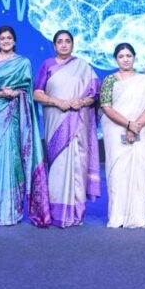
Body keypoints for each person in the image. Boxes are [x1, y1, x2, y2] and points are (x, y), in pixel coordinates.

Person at [0, 26, 51, 227]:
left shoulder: (23, 62)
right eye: (2, 38)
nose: (5, 41)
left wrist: (16, 93)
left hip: (16, 114)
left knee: (14, 158)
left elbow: (28, 91)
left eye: (9, 37)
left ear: (14, 41)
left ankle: (13, 211)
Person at [33, 30, 100, 228]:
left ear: (72, 44)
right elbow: (37, 93)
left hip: (78, 122)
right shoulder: (47, 65)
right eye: (60, 42)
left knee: (77, 166)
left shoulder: (83, 66)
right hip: (55, 121)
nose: (63, 45)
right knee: (58, 167)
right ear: (54, 46)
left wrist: (81, 102)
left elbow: (95, 93)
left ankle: (76, 213)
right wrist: (58, 102)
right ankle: (56, 213)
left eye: (67, 41)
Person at [99, 43, 145, 229]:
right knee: (117, 174)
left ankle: (137, 216)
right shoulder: (109, 80)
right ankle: (118, 216)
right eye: (121, 56)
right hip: (115, 130)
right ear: (116, 59)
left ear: (134, 58)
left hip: (141, 131)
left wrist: (135, 126)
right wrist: (128, 124)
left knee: (140, 173)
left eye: (128, 56)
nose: (125, 59)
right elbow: (106, 107)